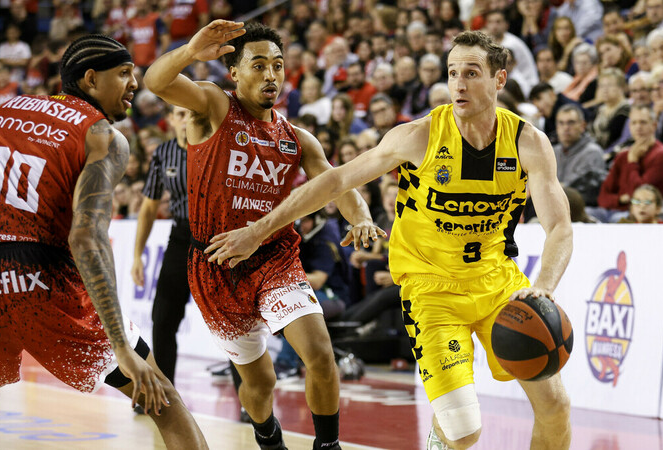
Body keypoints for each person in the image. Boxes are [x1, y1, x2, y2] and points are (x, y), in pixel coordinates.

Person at [207, 30, 572, 450]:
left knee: (555, 404)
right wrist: (258, 230)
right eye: (453, 72)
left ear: (499, 79)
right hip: (431, 290)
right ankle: (441, 436)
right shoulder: (418, 136)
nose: (458, 83)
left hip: (498, 282)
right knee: (464, 430)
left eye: (471, 73)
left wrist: (544, 286)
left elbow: (560, 227)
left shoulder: (528, 142)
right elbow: (336, 181)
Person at [0, 34, 206, 449]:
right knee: (161, 398)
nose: (135, 83)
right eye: (124, 73)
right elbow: (86, 236)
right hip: (42, 276)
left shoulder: (0, 114)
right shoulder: (103, 136)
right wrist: (120, 346)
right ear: (91, 79)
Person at [145, 21, 382, 450]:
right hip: (216, 267)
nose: (271, 74)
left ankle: (328, 446)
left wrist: (360, 217)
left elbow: (336, 184)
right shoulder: (214, 105)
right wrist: (191, 51)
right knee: (260, 382)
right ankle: (268, 437)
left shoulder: (297, 139)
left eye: (277, 65)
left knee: (320, 354)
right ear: (234, 71)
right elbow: (156, 81)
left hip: (275, 258)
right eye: (258, 65)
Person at [131, 104, 190, 385]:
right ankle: (165, 394)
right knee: (163, 318)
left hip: (217, 239)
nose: (187, 119)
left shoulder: (216, 147)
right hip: (181, 237)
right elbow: (149, 206)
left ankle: (248, 402)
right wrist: (136, 255)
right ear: (170, 120)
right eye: (181, 114)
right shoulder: (164, 153)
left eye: (193, 113)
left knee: (232, 325)